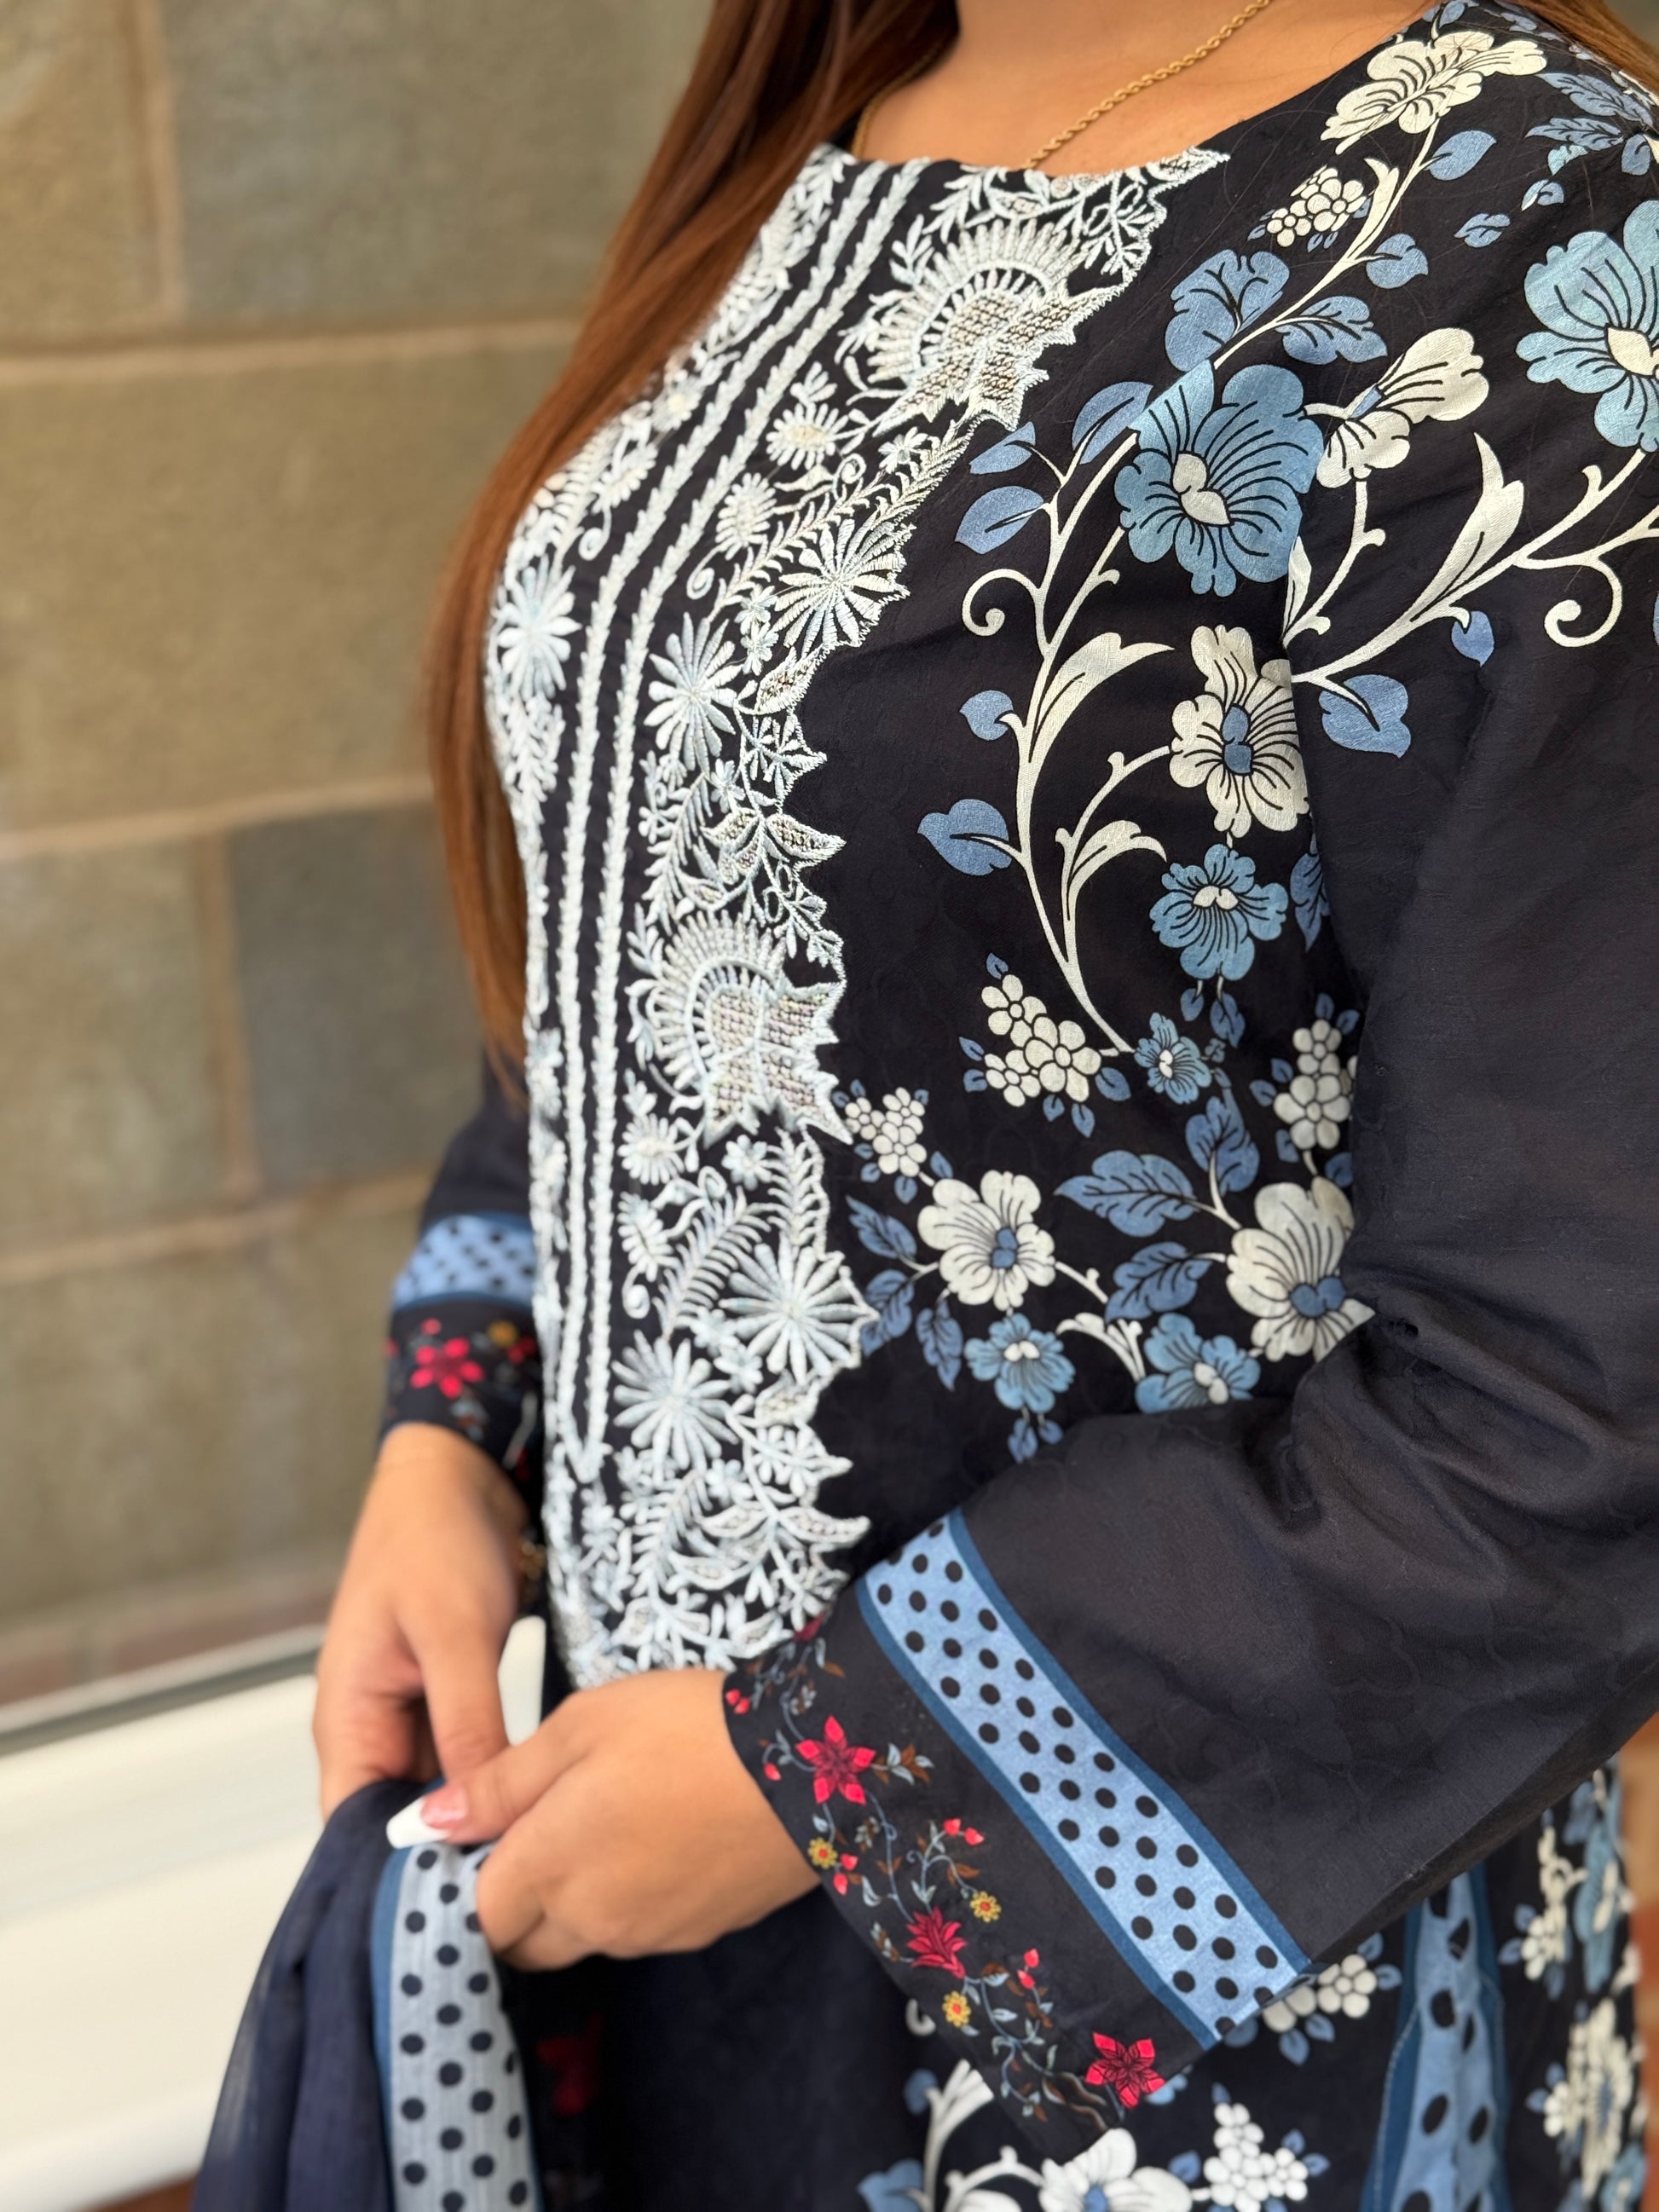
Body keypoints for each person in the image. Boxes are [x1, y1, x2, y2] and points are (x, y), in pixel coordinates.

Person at [312, 1, 1659, 2203]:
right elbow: (655, 915)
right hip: (656, 1911)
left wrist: (840, 1770)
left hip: (1212, 1993)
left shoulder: (1546, 229)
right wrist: (452, 1425)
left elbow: (1590, 1375)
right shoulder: (826, 123)